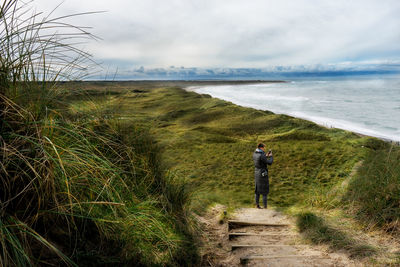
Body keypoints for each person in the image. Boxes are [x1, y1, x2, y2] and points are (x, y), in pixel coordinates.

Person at [253, 143, 273, 209]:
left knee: (257, 189)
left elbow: (261, 160)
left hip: (256, 173)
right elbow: (269, 163)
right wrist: (271, 156)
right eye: (264, 147)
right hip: (262, 173)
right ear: (261, 147)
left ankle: (257, 205)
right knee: (264, 190)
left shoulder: (255, 153)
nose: (264, 149)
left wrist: (265, 155)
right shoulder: (262, 155)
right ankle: (265, 206)